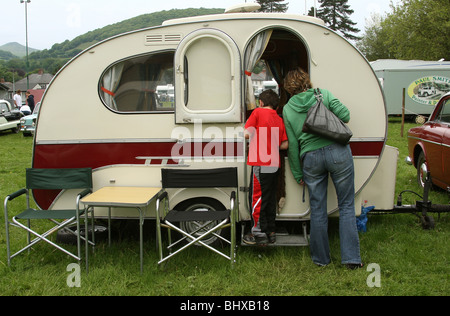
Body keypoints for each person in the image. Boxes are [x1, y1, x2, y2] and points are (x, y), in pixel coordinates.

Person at [282, 67, 363, 269]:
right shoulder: (322, 94)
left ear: (288, 88)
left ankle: (321, 260)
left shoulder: (287, 109)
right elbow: (345, 115)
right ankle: (351, 260)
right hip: (338, 152)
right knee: (346, 206)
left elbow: (293, 144)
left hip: (310, 158)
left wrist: (297, 172)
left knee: (317, 210)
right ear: (306, 81)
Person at [243, 89, 288, 245]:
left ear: (261, 102)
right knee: (269, 197)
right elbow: (285, 144)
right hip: (274, 163)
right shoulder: (279, 119)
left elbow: (246, 134)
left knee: (257, 197)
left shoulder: (258, 112)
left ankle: (258, 232)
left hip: (260, 162)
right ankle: (271, 230)